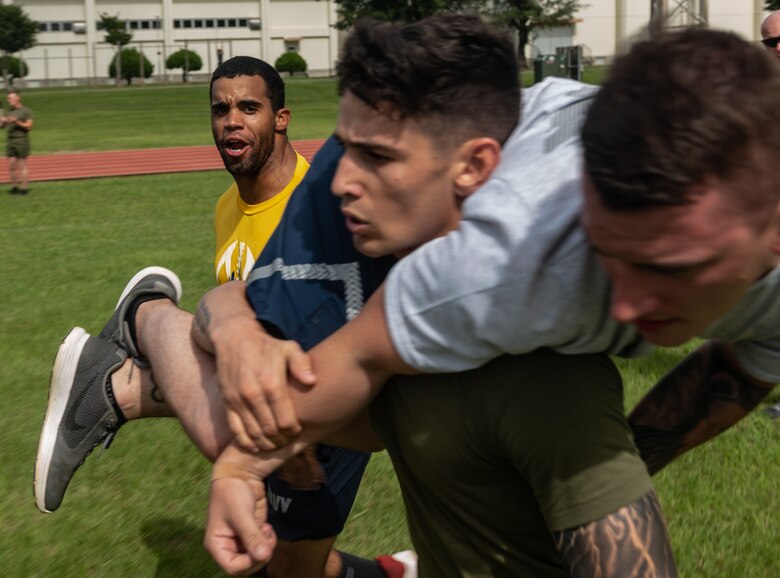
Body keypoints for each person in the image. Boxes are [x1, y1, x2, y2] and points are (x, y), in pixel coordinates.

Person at [201, 24, 780, 573]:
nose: (625, 308)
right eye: (609, 256)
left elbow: (748, 362)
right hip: (416, 147)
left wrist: (616, 466)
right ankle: (145, 336)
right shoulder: (502, 262)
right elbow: (359, 354)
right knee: (256, 349)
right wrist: (238, 468)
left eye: (666, 269)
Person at [33, 56, 408, 578]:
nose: (231, 120)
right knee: (281, 560)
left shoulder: (318, 204)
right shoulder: (226, 208)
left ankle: (126, 364)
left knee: (284, 560)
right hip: (292, 408)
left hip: (332, 398)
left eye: (249, 107)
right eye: (221, 109)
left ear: (281, 118)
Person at [1, 90, 33, 195]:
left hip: (21, 139)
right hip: (11, 140)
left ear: (17, 98)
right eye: (8, 98)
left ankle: (24, 188)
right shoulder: (9, 111)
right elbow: (2, 127)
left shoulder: (25, 111)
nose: (9, 100)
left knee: (22, 164)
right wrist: (3, 121)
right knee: (11, 165)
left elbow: (29, 126)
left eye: (11, 98)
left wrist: (16, 122)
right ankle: (14, 187)